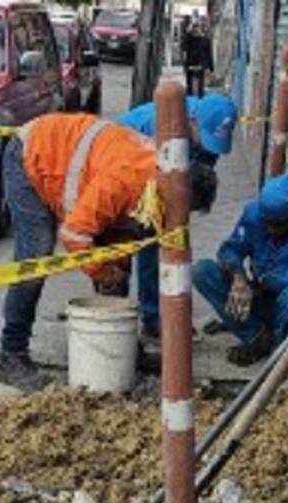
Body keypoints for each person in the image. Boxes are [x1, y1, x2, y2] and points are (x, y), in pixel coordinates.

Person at [0, 113, 217, 391]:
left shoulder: (159, 183)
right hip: (33, 155)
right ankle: (11, 355)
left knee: (119, 265)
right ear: (176, 193)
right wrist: (103, 273)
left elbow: (120, 227)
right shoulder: (125, 180)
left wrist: (116, 267)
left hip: (76, 162)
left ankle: (123, 350)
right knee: (35, 258)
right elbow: (74, 234)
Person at [118, 93, 237, 338]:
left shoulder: (205, 129)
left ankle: (162, 315)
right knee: (143, 240)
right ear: (192, 121)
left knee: (172, 238)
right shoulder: (160, 127)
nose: (209, 150)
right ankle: (132, 319)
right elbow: (152, 187)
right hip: (127, 166)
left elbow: (201, 171)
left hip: (163, 167)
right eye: (205, 141)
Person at [194, 174, 288, 366]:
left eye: (277, 225)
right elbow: (230, 249)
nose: (269, 230)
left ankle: (281, 352)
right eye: (266, 223)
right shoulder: (255, 213)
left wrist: (265, 281)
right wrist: (239, 278)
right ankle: (256, 339)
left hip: (285, 307)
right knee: (202, 271)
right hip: (255, 296)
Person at [181, 18, 212, 97]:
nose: (195, 30)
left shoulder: (204, 39)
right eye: (194, 27)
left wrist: (210, 67)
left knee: (200, 87)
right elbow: (183, 46)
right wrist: (188, 32)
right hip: (190, 64)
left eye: (197, 27)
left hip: (201, 64)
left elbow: (208, 53)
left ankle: (200, 100)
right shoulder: (188, 39)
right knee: (189, 87)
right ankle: (191, 100)